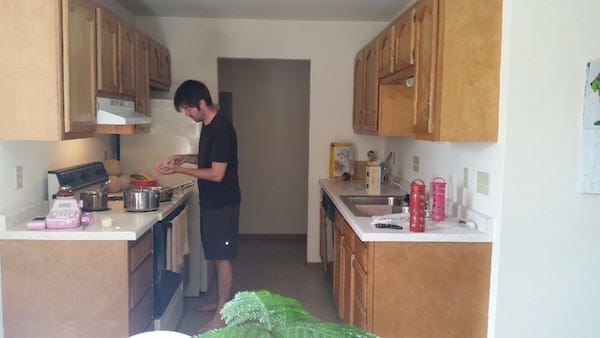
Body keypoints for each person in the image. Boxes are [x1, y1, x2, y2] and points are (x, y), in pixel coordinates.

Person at [156, 80, 241, 333]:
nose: (187, 114)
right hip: (212, 202)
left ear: (201, 103)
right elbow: (210, 159)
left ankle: (222, 315)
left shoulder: (221, 129)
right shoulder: (208, 125)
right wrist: (185, 158)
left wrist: (179, 169)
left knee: (222, 257)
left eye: (188, 109)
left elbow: (217, 173)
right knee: (214, 254)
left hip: (223, 203)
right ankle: (219, 303)